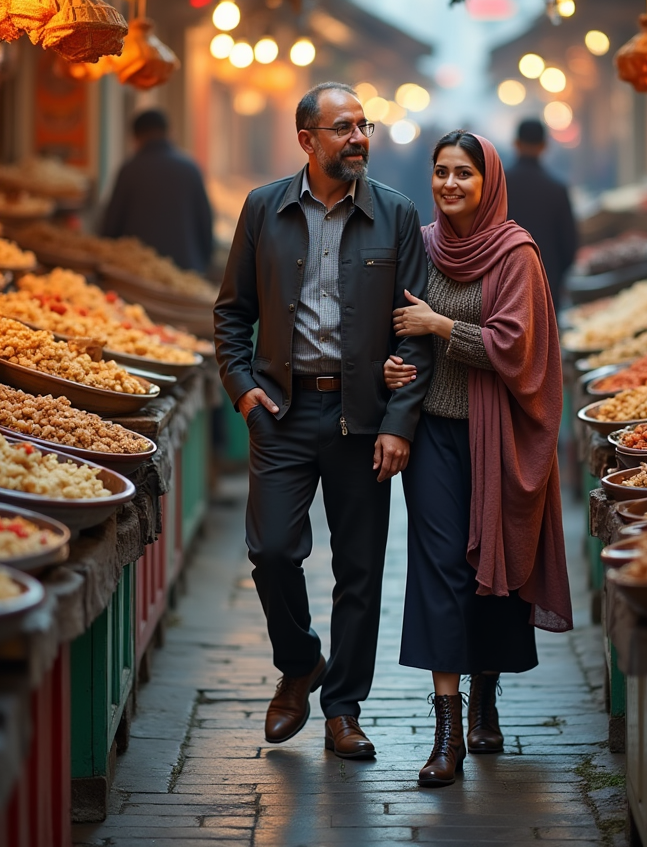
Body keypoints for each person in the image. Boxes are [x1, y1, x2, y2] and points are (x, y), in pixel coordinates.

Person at [214, 82, 432, 761]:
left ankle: (343, 711)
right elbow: (231, 314)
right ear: (307, 140)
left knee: (360, 570)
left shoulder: (396, 215)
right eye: (343, 128)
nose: (359, 137)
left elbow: (416, 332)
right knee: (273, 551)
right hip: (281, 410)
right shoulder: (263, 209)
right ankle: (299, 660)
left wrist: (399, 421)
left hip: (363, 417)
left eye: (363, 125)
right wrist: (245, 392)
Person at [384, 130, 572, 788]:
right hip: (435, 431)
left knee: (490, 564)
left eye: (464, 173)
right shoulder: (423, 246)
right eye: (440, 172)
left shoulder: (517, 254)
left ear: (487, 180)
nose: (450, 185)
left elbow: (517, 348)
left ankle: (486, 694)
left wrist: (441, 326)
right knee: (440, 571)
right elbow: (401, 330)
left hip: (500, 436)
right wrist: (395, 365)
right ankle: (448, 730)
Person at [101, 109, 214, 273]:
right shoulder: (190, 169)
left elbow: (111, 226)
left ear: (136, 138)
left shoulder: (130, 170)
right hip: (186, 271)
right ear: (170, 132)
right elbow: (205, 223)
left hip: (138, 272)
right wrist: (203, 263)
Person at [503, 118, 577, 311]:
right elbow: (569, 245)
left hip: (504, 282)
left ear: (516, 144)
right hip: (546, 280)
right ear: (544, 146)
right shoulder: (557, 188)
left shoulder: (498, 187)